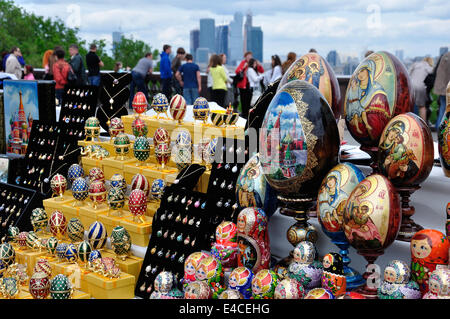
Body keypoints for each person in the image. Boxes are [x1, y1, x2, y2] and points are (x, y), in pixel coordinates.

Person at [235, 51, 264, 119]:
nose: (249, 57)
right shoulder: (243, 63)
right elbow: (237, 71)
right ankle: (244, 113)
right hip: (243, 85)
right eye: (248, 56)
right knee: (243, 100)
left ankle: (247, 114)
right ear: (245, 57)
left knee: (248, 100)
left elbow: (261, 71)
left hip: (249, 86)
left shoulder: (253, 63)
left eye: (250, 56)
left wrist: (259, 65)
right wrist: (243, 67)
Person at [409, 57, 433, 122]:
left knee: (411, 105)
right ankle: (423, 125)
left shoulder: (415, 65)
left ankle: (411, 122)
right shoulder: (429, 67)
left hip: (411, 86)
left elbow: (408, 74)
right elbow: (431, 75)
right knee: (422, 107)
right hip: (421, 87)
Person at [433, 51, 450, 130]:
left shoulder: (445, 55)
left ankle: (439, 128)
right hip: (447, 88)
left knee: (442, 109)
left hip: (441, 87)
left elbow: (435, 71)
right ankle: (443, 130)